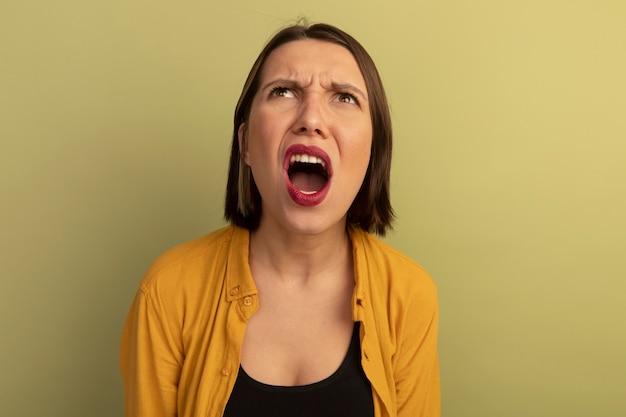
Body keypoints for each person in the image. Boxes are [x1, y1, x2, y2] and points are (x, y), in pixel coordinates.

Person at [120, 21, 440, 417]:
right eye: (283, 92)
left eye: (343, 97)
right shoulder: (168, 291)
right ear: (246, 144)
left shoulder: (409, 296)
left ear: (373, 151)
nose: (311, 118)